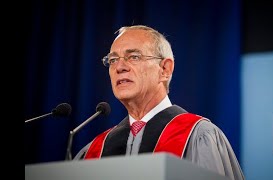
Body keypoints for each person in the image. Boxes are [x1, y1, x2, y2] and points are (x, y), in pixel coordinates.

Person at [74, 25, 245, 180]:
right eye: (112, 60)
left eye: (133, 57)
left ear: (165, 69)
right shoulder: (95, 149)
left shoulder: (198, 135)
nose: (119, 67)